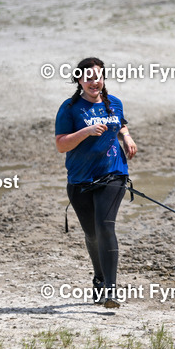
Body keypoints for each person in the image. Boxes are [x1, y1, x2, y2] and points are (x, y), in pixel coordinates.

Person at [55, 57, 137, 309]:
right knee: (91, 234)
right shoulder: (70, 108)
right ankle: (100, 278)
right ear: (79, 80)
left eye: (98, 77)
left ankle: (111, 290)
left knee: (105, 226)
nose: (95, 82)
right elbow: (61, 145)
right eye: (89, 78)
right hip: (80, 180)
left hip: (114, 174)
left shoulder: (114, 103)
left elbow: (119, 122)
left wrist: (126, 136)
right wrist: (85, 132)